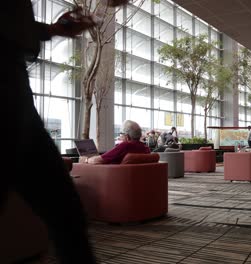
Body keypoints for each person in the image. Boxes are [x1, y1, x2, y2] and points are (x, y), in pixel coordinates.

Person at [0, 1, 116, 263]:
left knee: (66, 212)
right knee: (65, 212)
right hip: (8, 89)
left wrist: (52, 29)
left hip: (15, 89)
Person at [81, 120, 150, 164]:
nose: (120, 137)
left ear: (127, 136)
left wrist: (86, 160)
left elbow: (99, 160)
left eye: (121, 134)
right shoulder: (146, 149)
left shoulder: (125, 146)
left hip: (115, 178)